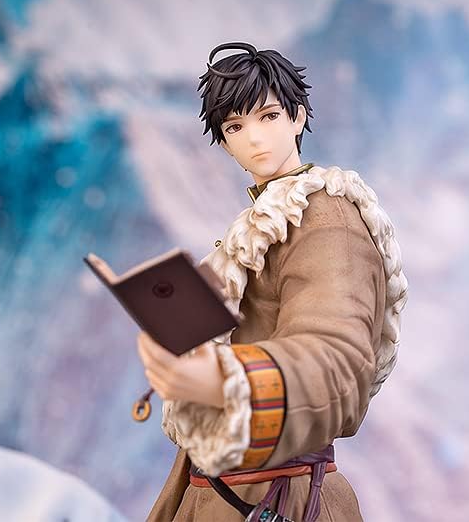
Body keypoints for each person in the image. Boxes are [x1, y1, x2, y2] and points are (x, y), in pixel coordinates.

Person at [138, 42, 408, 521]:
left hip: (281, 498)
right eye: (234, 127)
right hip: (226, 489)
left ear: (297, 118)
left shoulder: (326, 218)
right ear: (224, 143)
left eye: (268, 116)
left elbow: (337, 361)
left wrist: (225, 379)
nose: (254, 138)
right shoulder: (264, 222)